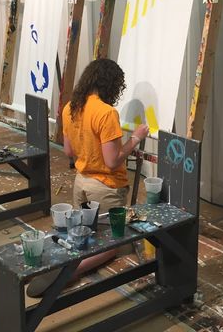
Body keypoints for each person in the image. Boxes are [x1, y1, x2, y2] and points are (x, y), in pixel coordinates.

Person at [26, 58, 150, 298]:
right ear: (110, 84)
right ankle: (72, 271)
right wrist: (135, 138)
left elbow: (68, 151)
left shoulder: (70, 108)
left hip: (81, 183)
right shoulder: (106, 113)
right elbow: (112, 161)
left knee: (83, 235)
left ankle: (52, 264)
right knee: (114, 244)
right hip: (105, 186)